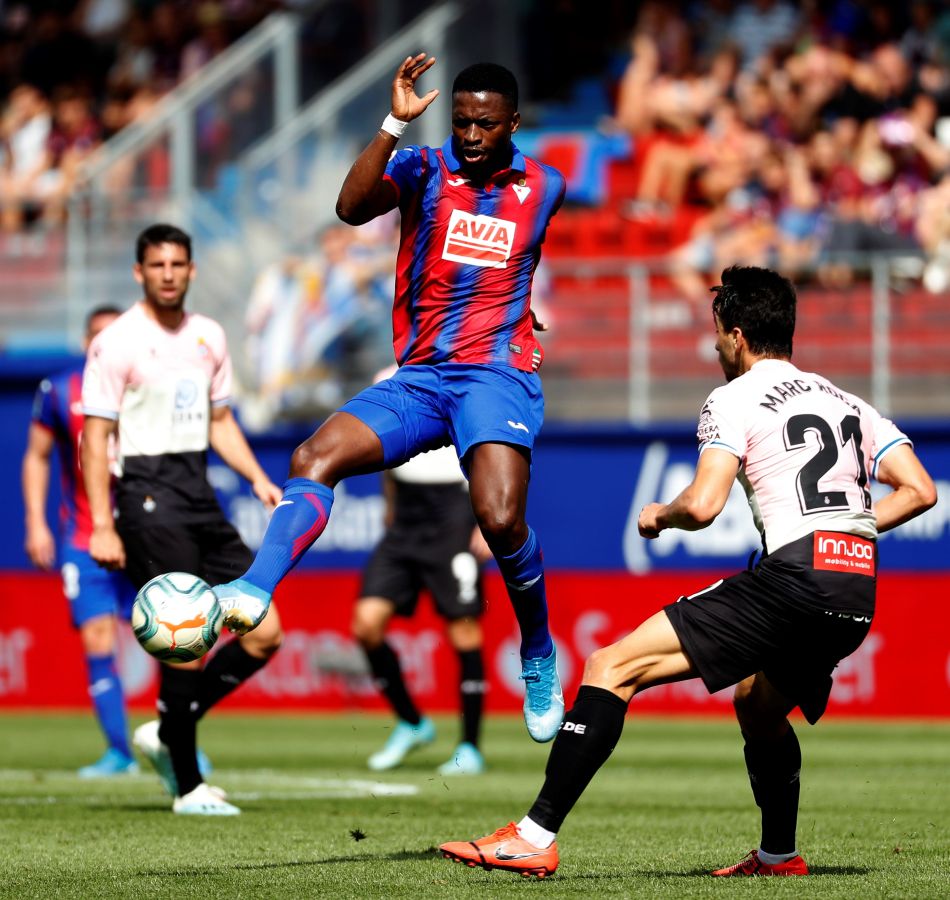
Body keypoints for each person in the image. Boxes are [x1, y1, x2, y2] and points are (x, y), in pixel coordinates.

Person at [439, 265, 937, 879]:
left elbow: (703, 506)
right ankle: (779, 856)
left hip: (794, 579)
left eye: (717, 336)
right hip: (856, 587)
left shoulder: (733, 398)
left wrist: (659, 516)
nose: (715, 348)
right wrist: (849, 528)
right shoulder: (848, 401)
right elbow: (919, 491)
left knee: (609, 666)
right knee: (757, 704)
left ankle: (534, 836)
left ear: (735, 335)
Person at [215, 56, 567, 742]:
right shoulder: (423, 167)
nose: (470, 134)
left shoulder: (544, 185)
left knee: (498, 519)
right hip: (421, 377)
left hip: (494, 376)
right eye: (461, 120)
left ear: (513, 125)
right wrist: (392, 124)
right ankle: (253, 590)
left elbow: (516, 265)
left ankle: (538, 652)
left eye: (485, 124)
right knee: (314, 455)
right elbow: (349, 208)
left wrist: (522, 319)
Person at [81, 223, 285, 816]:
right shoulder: (117, 342)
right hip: (146, 494)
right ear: (139, 272)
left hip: (198, 492)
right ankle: (189, 785)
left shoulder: (208, 336)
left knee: (265, 630)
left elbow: (220, 421)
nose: (168, 274)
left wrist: (255, 476)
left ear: (191, 270)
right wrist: (101, 521)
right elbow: (96, 439)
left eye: (177, 264)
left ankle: (172, 728)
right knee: (187, 635)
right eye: (157, 265)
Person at [22, 304, 138, 778]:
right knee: (97, 636)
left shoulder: (149, 383)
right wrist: (36, 522)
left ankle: (181, 742)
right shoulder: (59, 389)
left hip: (144, 531)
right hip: (86, 535)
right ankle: (120, 752)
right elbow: (36, 455)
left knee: (173, 640)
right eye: (97, 336)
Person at [354, 434, 490, 776]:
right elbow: (387, 449)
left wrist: (490, 521)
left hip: (455, 510)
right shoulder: (387, 378)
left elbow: (495, 453)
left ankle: (470, 748)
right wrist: (390, 507)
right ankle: (411, 722)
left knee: (463, 629)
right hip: (405, 516)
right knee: (367, 623)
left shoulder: (469, 382)